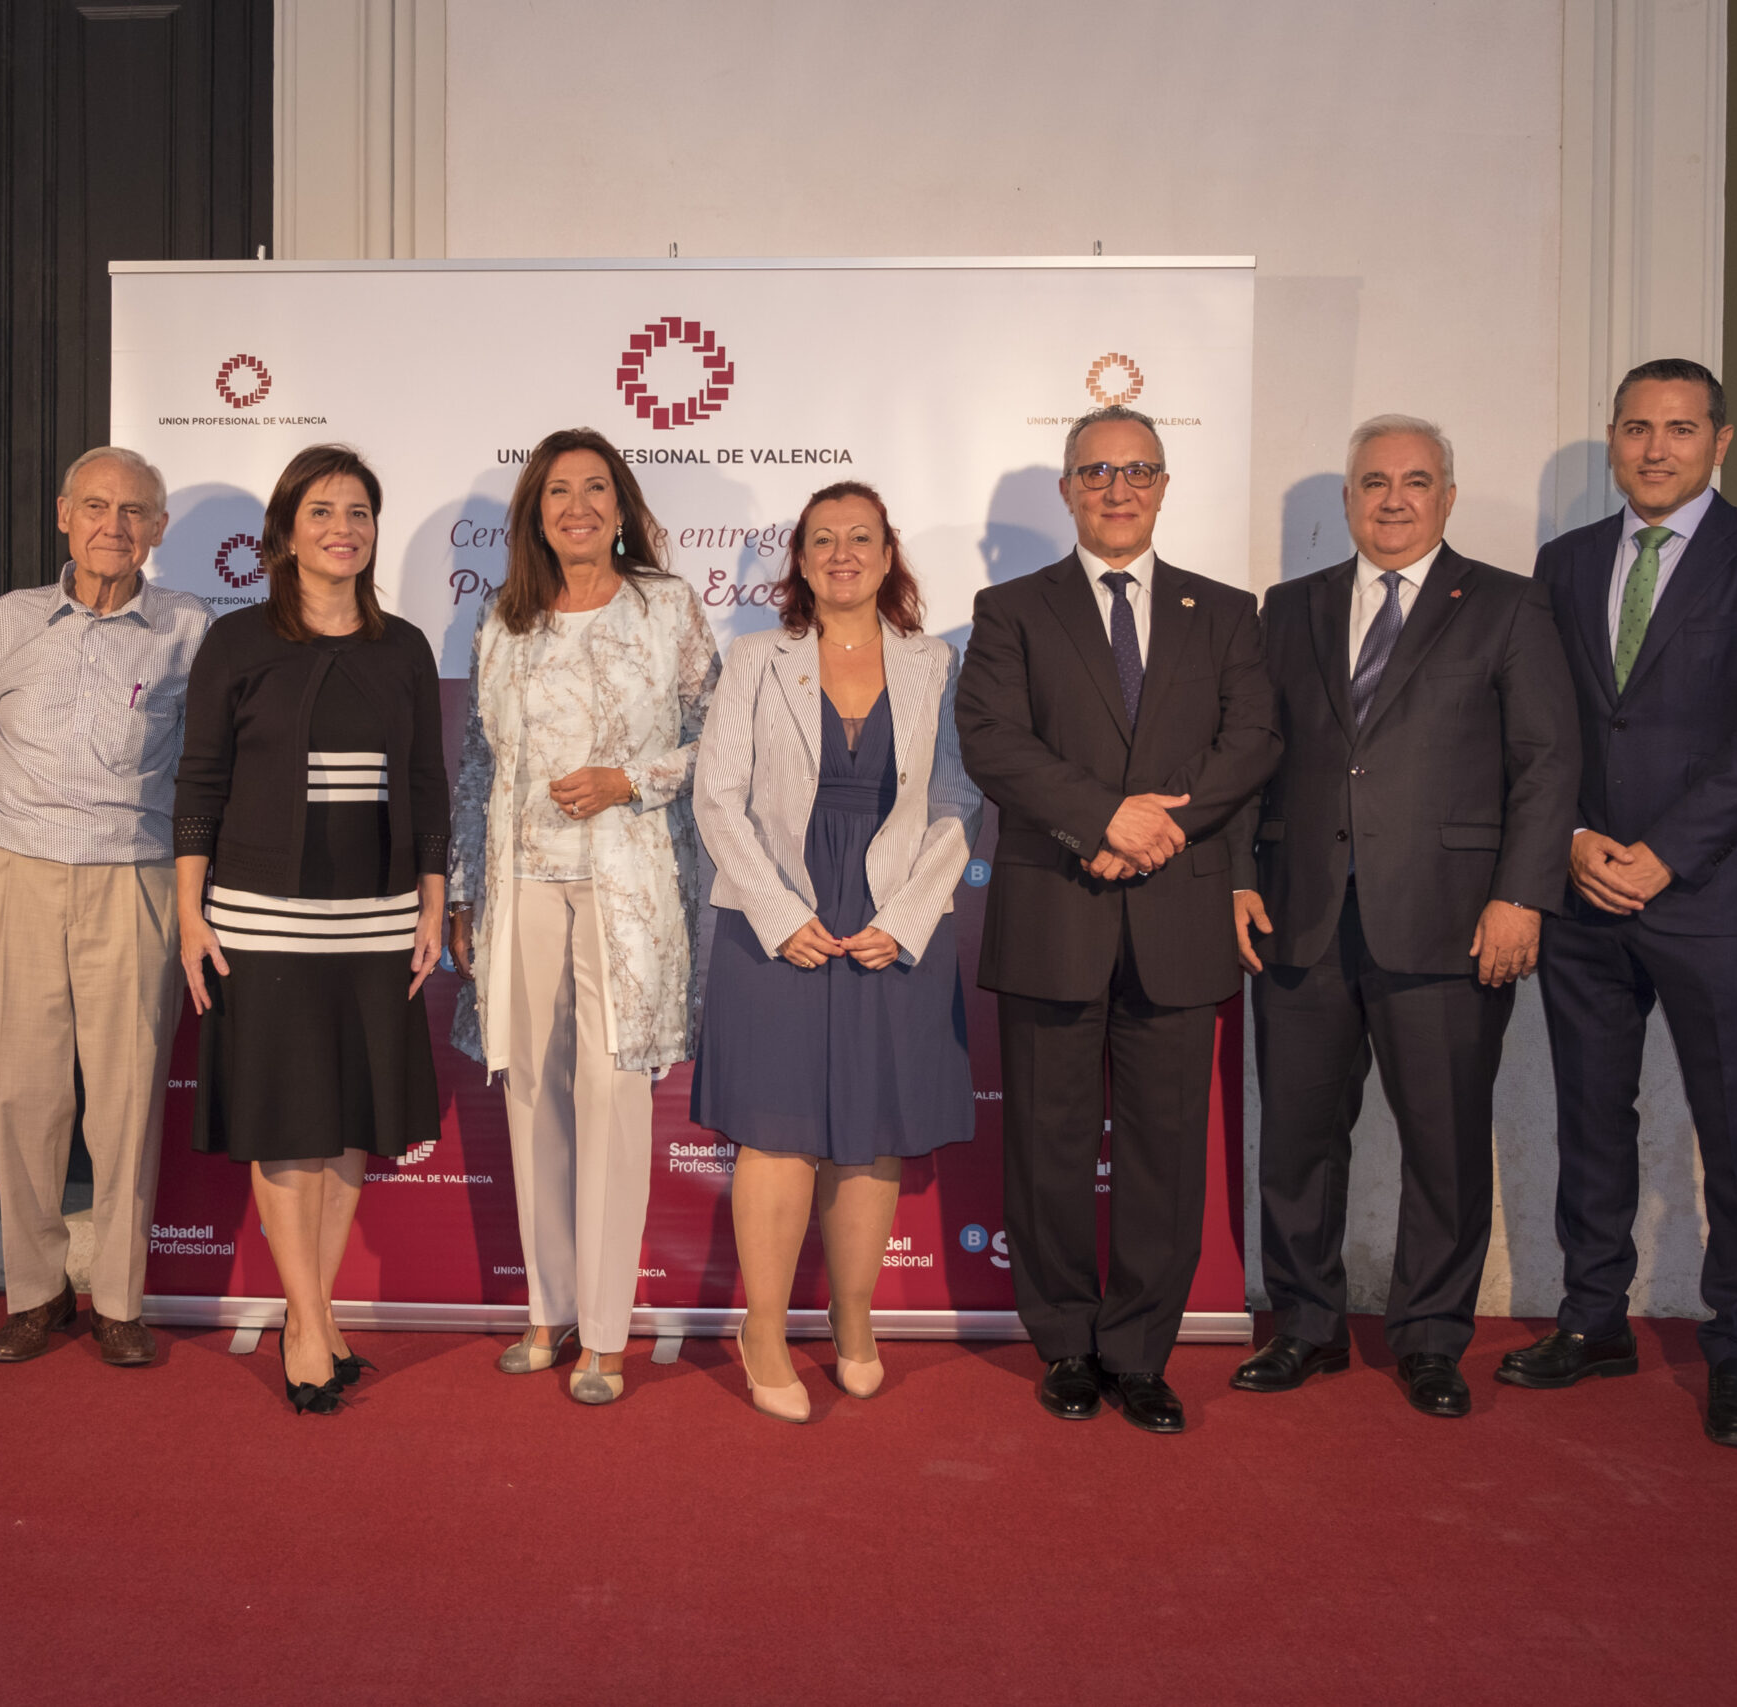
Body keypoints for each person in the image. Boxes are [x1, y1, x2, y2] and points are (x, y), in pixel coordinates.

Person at [1226, 415, 1578, 1418]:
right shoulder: (1286, 609)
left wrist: (1519, 896)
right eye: (1372, 482)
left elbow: (1548, 763)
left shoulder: (1507, 608)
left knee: (1445, 1141)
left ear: (1448, 498)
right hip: (1300, 916)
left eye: (1413, 481)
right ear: (1346, 500)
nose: (1391, 499)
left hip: (1452, 920)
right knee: (1297, 1139)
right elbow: (1250, 752)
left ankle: (1429, 1337)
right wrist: (1239, 874)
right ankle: (1304, 1326)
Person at [1512, 358, 1737, 1450]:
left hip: (1709, 895)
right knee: (1591, 1118)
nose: (1655, 447)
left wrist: (1667, 853)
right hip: (1584, 891)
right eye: (1636, 427)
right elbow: (1537, 723)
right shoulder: (1563, 563)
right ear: (1611, 438)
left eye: (1680, 428)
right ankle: (1593, 1319)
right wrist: (1572, 841)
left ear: (1719, 442)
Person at [954, 403, 1278, 1435]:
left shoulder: (1224, 611)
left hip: (1177, 924)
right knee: (1047, 1147)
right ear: (1066, 489)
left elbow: (1252, 741)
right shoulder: (1009, 609)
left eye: (1138, 469)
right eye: (1096, 471)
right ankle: (1064, 1346)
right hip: (1056, 909)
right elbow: (994, 745)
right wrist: (1099, 819)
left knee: (1164, 1152)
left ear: (1165, 484)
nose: (1118, 487)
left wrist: (1151, 830)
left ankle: (1141, 1352)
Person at [692, 481, 982, 1422]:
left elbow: (954, 805)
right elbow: (716, 800)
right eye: (824, 539)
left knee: (871, 1132)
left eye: (861, 537)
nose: (843, 552)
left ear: (888, 554)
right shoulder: (754, 660)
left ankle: (853, 1317)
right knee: (775, 1132)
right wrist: (779, 913)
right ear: (801, 560)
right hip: (774, 914)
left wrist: (907, 916)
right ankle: (765, 1328)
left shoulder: (938, 664)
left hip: (894, 914)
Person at [448, 426, 720, 1406]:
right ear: (534, 512)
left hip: (627, 887)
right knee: (530, 1094)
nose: (577, 506)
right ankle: (547, 1311)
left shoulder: (667, 608)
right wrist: (468, 888)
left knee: (612, 1097)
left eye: (594, 488)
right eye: (557, 490)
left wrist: (629, 779)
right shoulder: (505, 619)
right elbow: (479, 764)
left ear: (622, 504)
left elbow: (715, 744)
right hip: (522, 885)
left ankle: (608, 1332)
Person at [175, 446, 447, 1415]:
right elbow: (200, 780)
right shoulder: (238, 642)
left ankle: (314, 1311)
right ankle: (304, 1320)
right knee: (288, 1128)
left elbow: (425, 785)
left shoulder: (404, 647)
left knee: (344, 1131)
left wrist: (429, 904)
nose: (344, 527)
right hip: (259, 918)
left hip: (373, 918)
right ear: (286, 531)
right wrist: (188, 911)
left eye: (360, 511)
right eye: (323, 510)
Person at [0, 446, 211, 1367]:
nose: (115, 526)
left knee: (128, 1100)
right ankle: (35, 1290)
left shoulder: (189, 629)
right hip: (10, 874)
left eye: (135, 511)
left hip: (132, 879)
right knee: (20, 1093)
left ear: (159, 530)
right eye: (96, 506)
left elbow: (201, 781)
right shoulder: (5, 623)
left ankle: (121, 1299)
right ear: (64, 515)